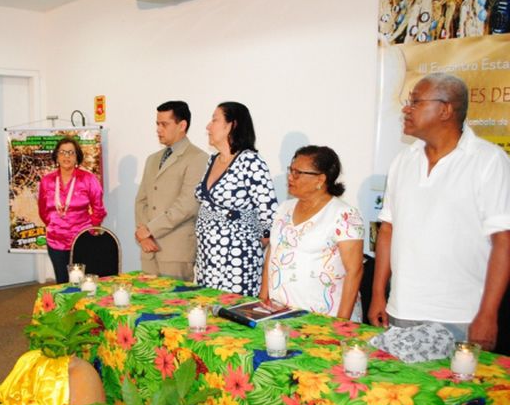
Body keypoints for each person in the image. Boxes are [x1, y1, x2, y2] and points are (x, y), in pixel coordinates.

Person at [369, 73, 510, 350]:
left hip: (462, 316)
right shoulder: (403, 160)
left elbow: (503, 241)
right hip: (402, 309)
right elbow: (387, 230)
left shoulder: (489, 161)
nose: (406, 109)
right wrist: (378, 294)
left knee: (457, 381)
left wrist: (488, 313)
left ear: (445, 110)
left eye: (416, 102)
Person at [260, 146, 364, 320]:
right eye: (291, 170)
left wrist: (341, 322)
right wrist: (263, 298)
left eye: (298, 173)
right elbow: (273, 252)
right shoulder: (284, 209)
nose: (290, 177)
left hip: (325, 318)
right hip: (280, 312)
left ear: (320, 179)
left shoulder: (344, 215)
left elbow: (355, 271)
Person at [195, 102, 278, 296]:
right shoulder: (212, 160)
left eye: (215, 120)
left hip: (236, 258)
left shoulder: (250, 161)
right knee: (208, 306)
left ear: (232, 125)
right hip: (207, 256)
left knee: (233, 309)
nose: (208, 126)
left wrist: (243, 242)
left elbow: (269, 213)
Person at [135, 101, 208, 281]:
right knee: (146, 298)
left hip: (176, 251)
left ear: (182, 125)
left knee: (175, 299)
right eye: (157, 124)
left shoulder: (198, 158)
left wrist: (150, 230)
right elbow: (141, 201)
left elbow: (187, 205)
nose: (158, 129)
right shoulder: (152, 159)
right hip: (148, 249)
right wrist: (143, 235)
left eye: (164, 124)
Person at [38, 137, 106, 284]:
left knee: (83, 282)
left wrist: (91, 231)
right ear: (56, 156)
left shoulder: (88, 179)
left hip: (82, 239)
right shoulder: (47, 181)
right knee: (62, 282)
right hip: (56, 241)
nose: (66, 156)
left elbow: (98, 209)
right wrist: (54, 224)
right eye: (62, 152)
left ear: (77, 157)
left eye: (71, 152)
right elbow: (42, 210)